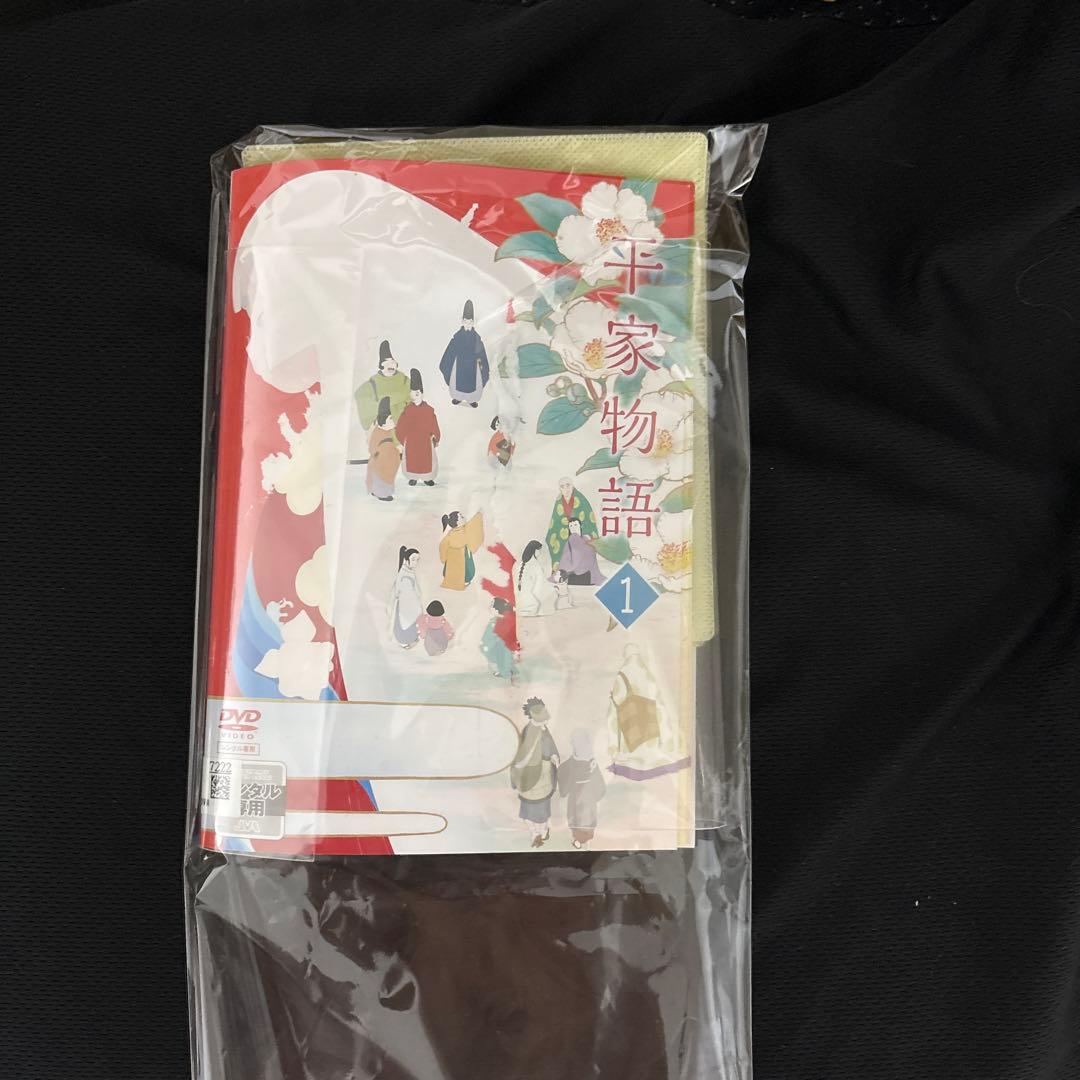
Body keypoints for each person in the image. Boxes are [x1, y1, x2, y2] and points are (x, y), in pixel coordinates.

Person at [605, 643, 689, 780]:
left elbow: (613, 715)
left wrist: (613, 747)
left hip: (631, 742)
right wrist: (668, 741)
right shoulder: (648, 675)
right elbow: (661, 708)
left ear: (625, 656)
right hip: (652, 737)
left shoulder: (621, 676)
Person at [509, 697, 560, 847]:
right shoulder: (530, 731)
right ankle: (535, 833)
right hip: (531, 777)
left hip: (544, 776)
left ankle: (542, 831)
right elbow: (524, 755)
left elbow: (550, 746)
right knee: (530, 810)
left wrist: (554, 756)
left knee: (542, 808)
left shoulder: (543, 728)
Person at [558, 728, 607, 849]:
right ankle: (577, 840)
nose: (580, 747)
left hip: (588, 801)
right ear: (573, 745)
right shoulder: (566, 766)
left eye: (583, 743)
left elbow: (600, 787)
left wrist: (592, 794)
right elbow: (563, 791)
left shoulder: (592, 763)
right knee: (575, 822)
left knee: (588, 823)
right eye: (577, 743)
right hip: (575, 800)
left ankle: (587, 843)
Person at [439, 299, 490, 407]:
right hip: (459, 368)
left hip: (472, 369)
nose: (468, 324)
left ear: (473, 322)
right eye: (466, 322)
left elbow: (482, 356)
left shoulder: (477, 339)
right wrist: (448, 367)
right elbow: (448, 356)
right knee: (457, 384)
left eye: (470, 322)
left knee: (473, 385)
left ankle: (471, 399)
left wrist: (482, 367)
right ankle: (457, 397)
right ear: (462, 321)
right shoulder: (457, 338)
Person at [395, 368, 441, 486]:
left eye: (417, 394)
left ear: (422, 394)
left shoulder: (429, 410)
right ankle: (413, 477)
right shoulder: (407, 410)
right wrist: (403, 439)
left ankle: (427, 478)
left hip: (425, 441)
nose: (415, 396)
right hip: (411, 441)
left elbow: (434, 424)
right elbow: (400, 425)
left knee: (426, 460)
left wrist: (436, 437)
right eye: (412, 394)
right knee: (412, 460)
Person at [356, 339, 412, 430]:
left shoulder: (405, 381)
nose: (391, 365)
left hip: (404, 426)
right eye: (387, 362)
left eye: (393, 362)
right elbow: (361, 396)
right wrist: (379, 419)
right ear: (381, 364)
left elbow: (414, 401)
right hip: (381, 428)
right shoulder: (372, 384)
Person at [545, 477, 599, 570]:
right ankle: (562, 572)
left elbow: (589, 520)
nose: (565, 489)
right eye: (562, 486)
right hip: (563, 534)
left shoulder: (581, 499)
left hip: (579, 532)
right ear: (559, 489)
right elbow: (555, 521)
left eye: (568, 485)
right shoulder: (559, 501)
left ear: (572, 486)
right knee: (555, 542)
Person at [552, 517, 606, 585]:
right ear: (569, 529)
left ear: (580, 526)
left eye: (575, 525)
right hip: (574, 574)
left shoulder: (586, 539)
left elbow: (591, 557)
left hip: (585, 573)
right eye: (571, 526)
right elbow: (565, 559)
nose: (573, 528)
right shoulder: (570, 540)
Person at [438, 510, 484, 590]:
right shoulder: (464, 532)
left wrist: (443, 558)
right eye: (461, 517)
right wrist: (478, 516)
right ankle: (464, 580)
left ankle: (459, 579)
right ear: (457, 522)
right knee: (467, 571)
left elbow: (442, 545)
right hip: (462, 560)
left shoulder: (451, 534)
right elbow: (443, 545)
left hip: (454, 562)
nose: (464, 517)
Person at [387, 547, 423, 648]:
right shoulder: (404, 575)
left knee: (411, 621)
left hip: (409, 602)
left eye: (417, 560)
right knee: (405, 621)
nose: (416, 562)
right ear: (406, 561)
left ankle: (409, 639)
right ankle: (405, 641)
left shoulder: (409, 572)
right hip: (405, 603)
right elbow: (406, 592)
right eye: (413, 559)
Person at [366, 396, 400, 502]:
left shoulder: (389, 432)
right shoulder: (378, 432)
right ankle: (380, 493)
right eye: (391, 419)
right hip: (381, 465)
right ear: (384, 419)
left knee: (386, 479)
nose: (394, 422)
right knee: (380, 479)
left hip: (389, 465)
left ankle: (382, 492)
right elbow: (372, 447)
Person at [480, 597, 519, 682]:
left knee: (503, 655)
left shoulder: (502, 621)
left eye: (492, 605)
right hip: (497, 646)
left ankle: (507, 672)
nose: (489, 607)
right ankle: (507, 671)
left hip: (501, 646)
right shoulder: (496, 620)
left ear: (497, 608)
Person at [516, 540, 557, 617]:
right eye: (540, 550)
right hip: (531, 602)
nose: (541, 553)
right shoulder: (535, 565)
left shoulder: (520, 564)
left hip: (520, 601)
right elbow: (540, 584)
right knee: (553, 593)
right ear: (535, 551)